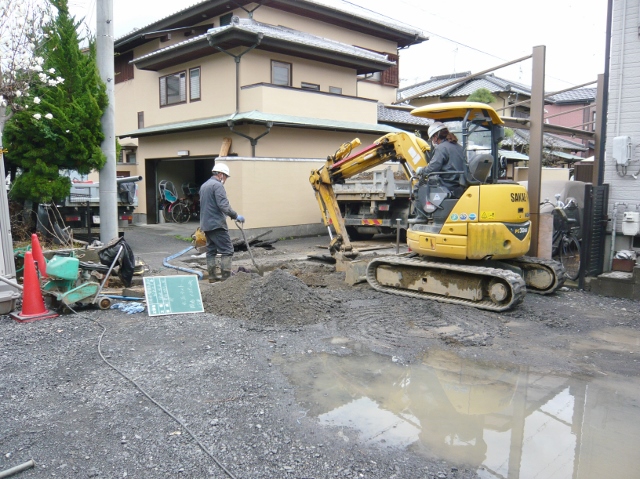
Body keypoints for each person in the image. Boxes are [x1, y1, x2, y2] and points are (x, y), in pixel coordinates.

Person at [199, 163, 245, 282]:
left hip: (206, 224)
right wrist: (235, 216)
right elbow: (223, 205)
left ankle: (212, 277)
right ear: (220, 174)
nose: (225, 179)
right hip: (216, 224)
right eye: (225, 176)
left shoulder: (204, 186)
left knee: (211, 251)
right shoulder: (217, 186)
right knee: (227, 250)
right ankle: (226, 279)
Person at [425, 122, 467, 198]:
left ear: (436, 136)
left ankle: (422, 209)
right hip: (459, 183)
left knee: (420, 187)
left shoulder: (441, 148)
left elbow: (432, 168)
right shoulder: (460, 147)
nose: (433, 141)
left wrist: (422, 171)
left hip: (447, 183)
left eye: (432, 138)